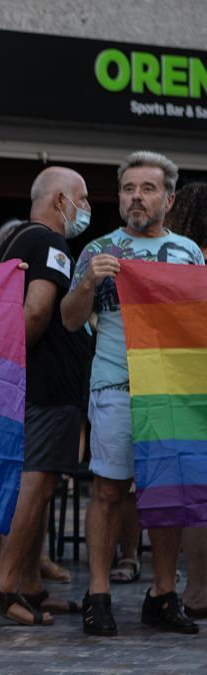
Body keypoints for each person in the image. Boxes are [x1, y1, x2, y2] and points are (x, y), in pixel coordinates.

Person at [61, 151, 203, 637]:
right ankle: (97, 593)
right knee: (106, 491)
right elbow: (69, 319)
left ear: (169, 197)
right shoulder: (98, 247)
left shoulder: (189, 253)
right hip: (115, 386)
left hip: (171, 390)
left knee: (168, 493)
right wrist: (87, 281)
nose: (135, 197)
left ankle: (163, 594)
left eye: (146, 188)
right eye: (127, 189)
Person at [0, 167, 93, 626]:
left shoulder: (13, 240)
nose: (85, 207)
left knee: (37, 483)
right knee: (38, 481)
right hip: (45, 386)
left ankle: (29, 585)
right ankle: (3, 587)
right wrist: (11, 367)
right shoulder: (50, 243)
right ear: (61, 198)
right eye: (81, 198)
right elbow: (38, 310)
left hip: (30, 386)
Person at [164, 181, 207, 619]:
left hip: (184, 385)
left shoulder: (179, 260)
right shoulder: (188, 259)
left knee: (196, 494)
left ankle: (197, 588)